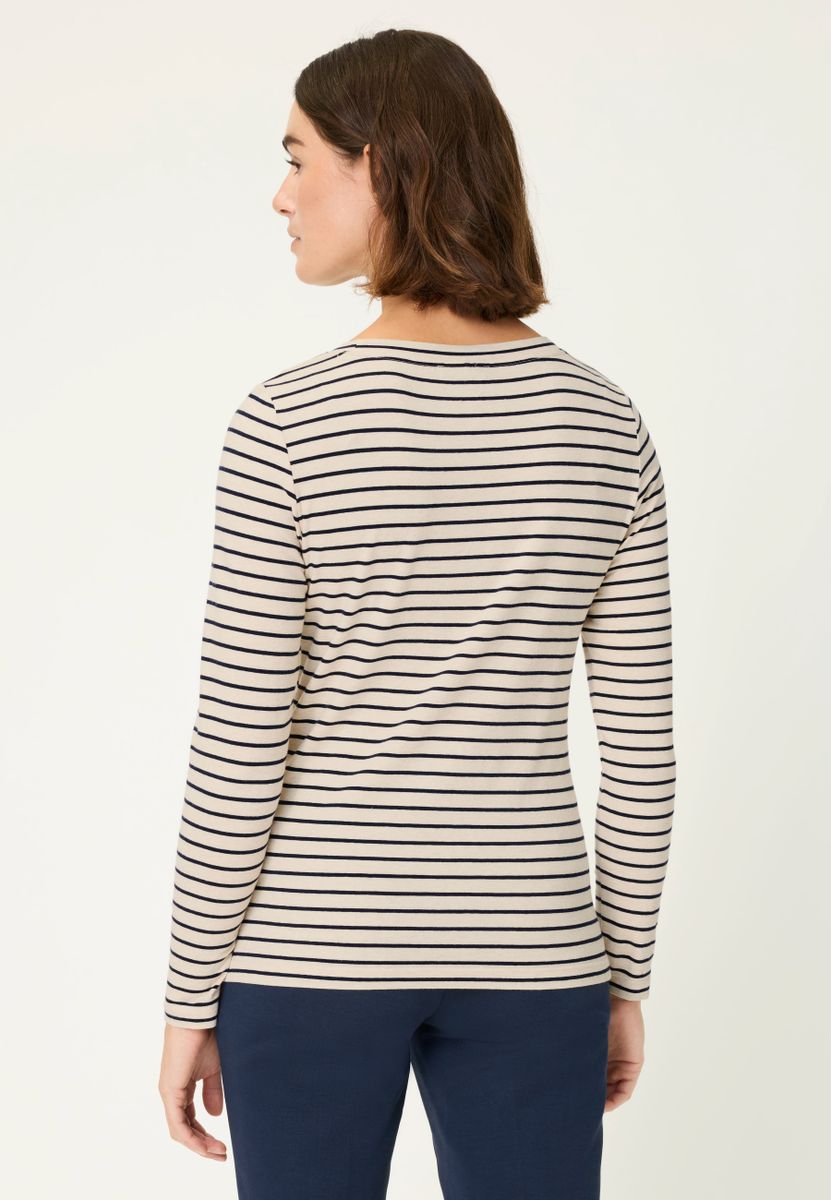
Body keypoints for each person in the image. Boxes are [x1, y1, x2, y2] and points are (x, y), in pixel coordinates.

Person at [157, 27, 676, 1200]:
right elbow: (642, 753)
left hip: (310, 952)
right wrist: (622, 978)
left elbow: (240, 740)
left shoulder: (288, 424)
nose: (280, 195)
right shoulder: (606, 427)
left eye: (299, 158)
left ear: (383, 167)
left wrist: (189, 998)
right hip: (537, 951)